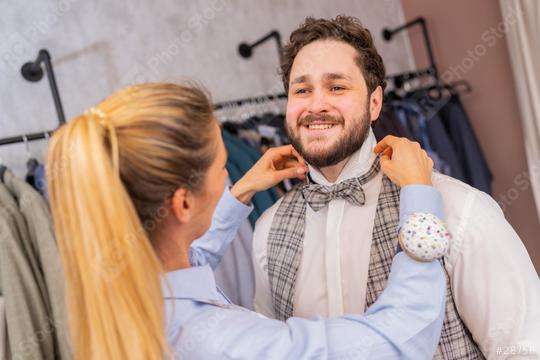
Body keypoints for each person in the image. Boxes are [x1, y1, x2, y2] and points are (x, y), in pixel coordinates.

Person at [47, 82, 448, 359]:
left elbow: (191, 263)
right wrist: (420, 202)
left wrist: (240, 194)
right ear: (181, 204)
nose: (228, 176)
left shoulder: (128, 296)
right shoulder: (221, 343)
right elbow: (401, 341)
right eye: (223, 167)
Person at [252, 15, 540, 359]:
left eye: (337, 87)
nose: (316, 105)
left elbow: (524, 348)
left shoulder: (460, 209)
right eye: (301, 90)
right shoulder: (268, 229)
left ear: (375, 103)